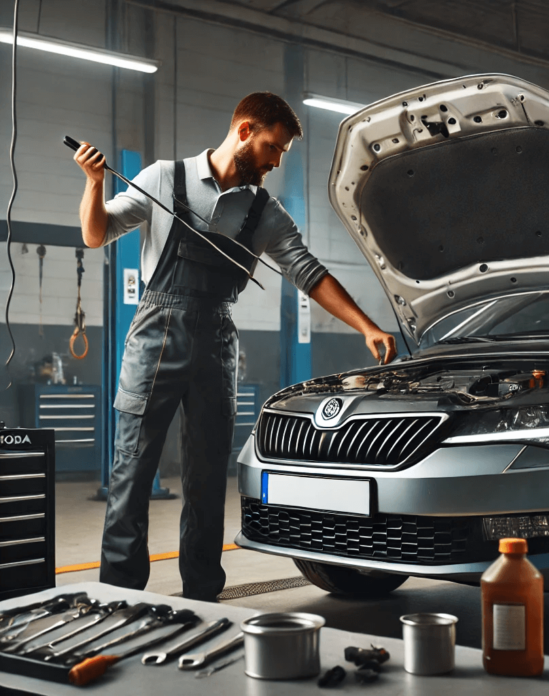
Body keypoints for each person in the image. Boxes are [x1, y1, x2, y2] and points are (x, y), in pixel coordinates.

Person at [74, 92, 397, 601]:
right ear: (245, 131)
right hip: (153, 335)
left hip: (217, 344)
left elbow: (309, 272)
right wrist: (95, 185)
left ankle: (203, 595)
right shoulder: (165, 178)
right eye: (274, 147)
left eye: (283, 153)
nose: (275, 160)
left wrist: (366, 325)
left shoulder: (264, 210)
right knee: (131, 474)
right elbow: (97, 234)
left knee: (206, 483)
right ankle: (122, 597)